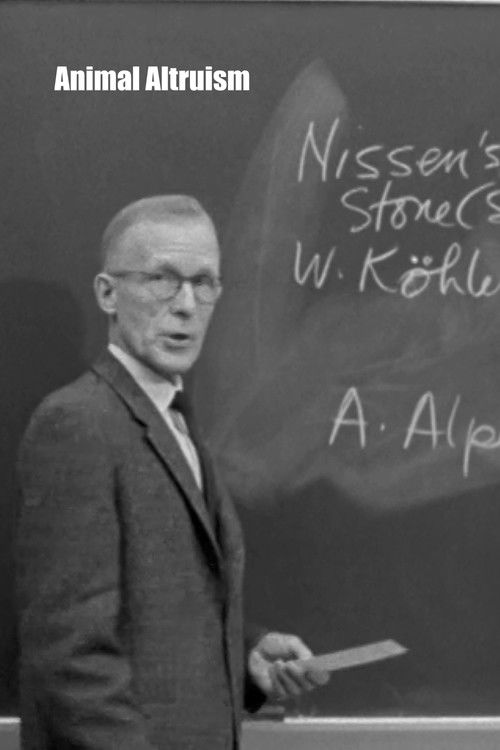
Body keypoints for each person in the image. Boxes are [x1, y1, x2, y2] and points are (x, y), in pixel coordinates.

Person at [16, 195, 328, 750]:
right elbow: (71, 659)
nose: (186, 305)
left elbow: (160, 614)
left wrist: (244, 655)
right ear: (107, 294)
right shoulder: (78, 423)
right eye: (161, 279)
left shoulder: (175, 420)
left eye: (204, 283)